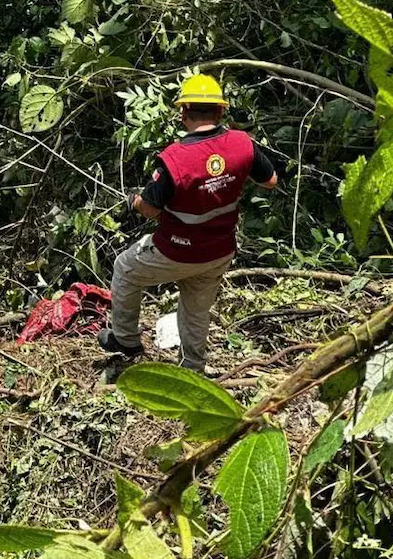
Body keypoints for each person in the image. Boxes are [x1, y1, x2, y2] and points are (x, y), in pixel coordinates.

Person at [99, 74, 278, 372]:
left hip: (176, 251)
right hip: (219, 250)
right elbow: (270, 180)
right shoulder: (242, 143)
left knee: (124, 268)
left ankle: (126, 340)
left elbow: (151, 211)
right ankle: (192, 368)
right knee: (196, 310)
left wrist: (133, 200)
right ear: (220, 112)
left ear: (183, 113)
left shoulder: (174, 159)